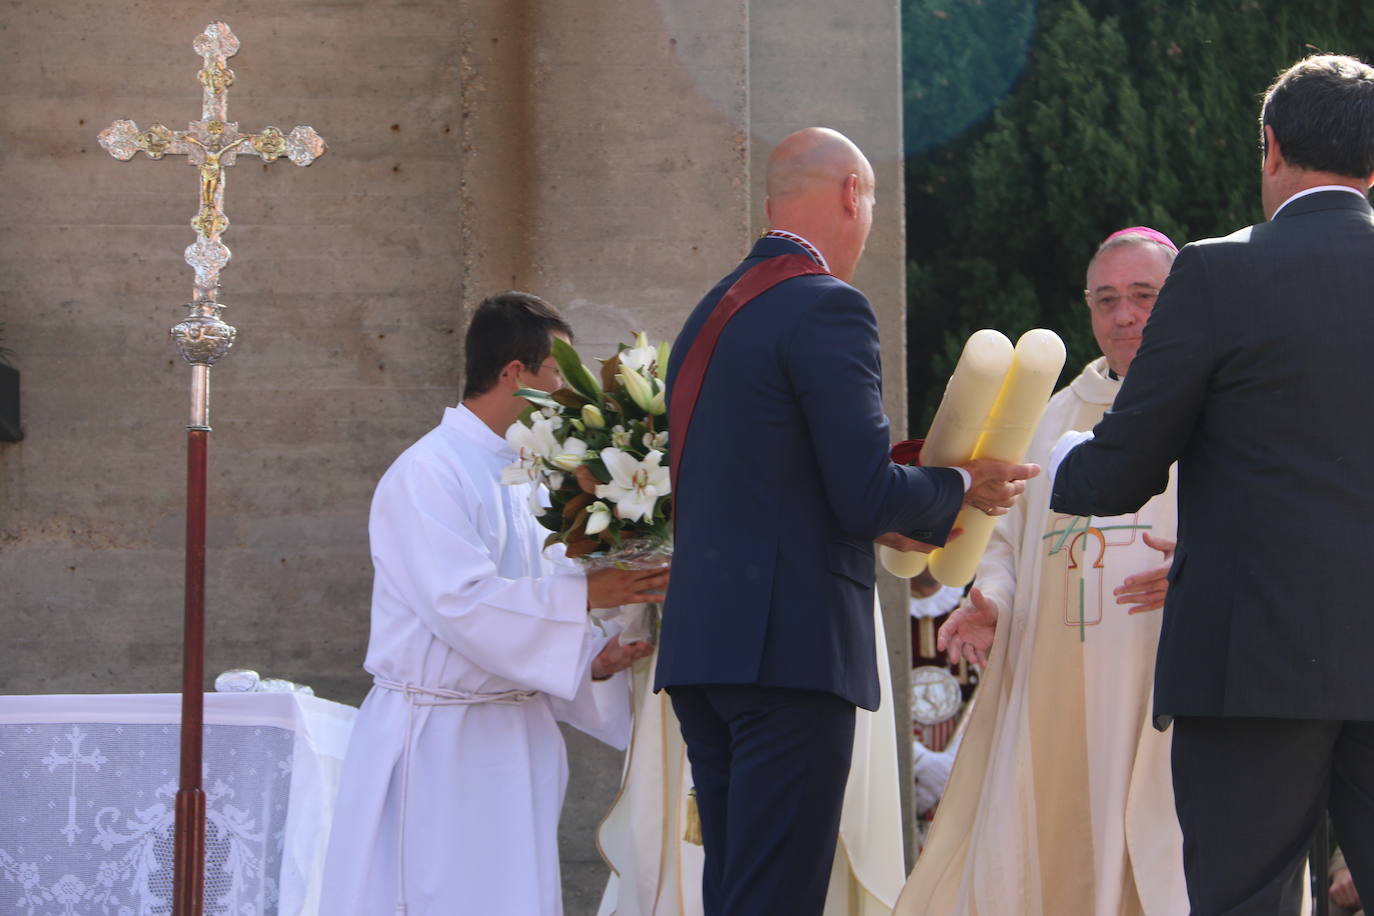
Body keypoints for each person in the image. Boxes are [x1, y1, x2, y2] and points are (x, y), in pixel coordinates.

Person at [652, 126, 1038, 916]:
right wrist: (959, 484)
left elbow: (779, 474)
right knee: (778, 895)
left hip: (705, 648)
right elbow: (861, 495)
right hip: (788, 652)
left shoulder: (710, 316)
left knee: (737, 886)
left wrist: (924, 477)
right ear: (852, 196)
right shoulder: (829, 307)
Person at [1051, 55, 1374, 914]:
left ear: (1269, 148)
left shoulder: (1221, 272)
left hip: (1253, 660)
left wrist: (1057, 458)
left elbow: (1120, 469)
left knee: (1242, 901)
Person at [319, 291, 665, 916]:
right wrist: (587, 595)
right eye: (557, 374)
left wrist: (595, 658)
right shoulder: (427, 472)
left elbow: (538, 583)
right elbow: (462, 604)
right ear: (516, 372)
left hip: (513, 735)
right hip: (438, 743)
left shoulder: (522, 472)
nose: (565, 392)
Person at [896, 227, 1188, 915]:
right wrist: (991, 600)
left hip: (1168, 666)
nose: (1124, 315)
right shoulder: (1055, 416)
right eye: (1107, 299)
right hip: (1063, 671)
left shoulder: (1217, 403)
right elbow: (1005, 538)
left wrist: (1208, 567)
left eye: (1144, 296)